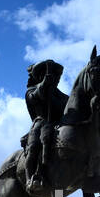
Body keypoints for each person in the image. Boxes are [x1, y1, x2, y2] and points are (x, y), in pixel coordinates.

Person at [23, 59, 67, 190]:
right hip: (40, 123)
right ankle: (31, 177)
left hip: (58, 124)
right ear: (42, 76)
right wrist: (45, 83)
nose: (57, 80)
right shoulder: (31, 91)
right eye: (55, 76)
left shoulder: (59, 95)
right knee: (35, 146)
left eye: (58, 77)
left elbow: (71, 104)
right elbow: (37, 96)